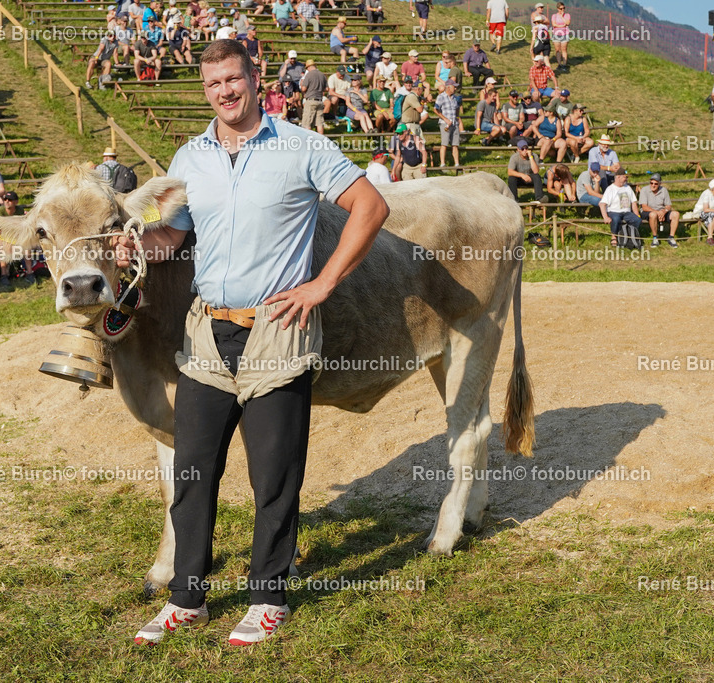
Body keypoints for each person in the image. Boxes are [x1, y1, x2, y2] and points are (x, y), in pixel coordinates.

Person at [121, 38, 387, 647]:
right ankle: (188, 598)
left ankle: (268, 596)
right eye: (213, 84)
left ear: (254, 76)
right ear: (204, 88)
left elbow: (370, 207)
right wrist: (137, 245)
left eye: (233, 80)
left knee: (274, 476)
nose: (224, 93)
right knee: (193, 471)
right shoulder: (189, 157)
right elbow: (174, 242)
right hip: (207, 333)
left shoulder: (302, 146)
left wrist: (322, 283)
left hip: (277, 332)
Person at [599, 168, 642, 248]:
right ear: (618, 177)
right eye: (625, 177)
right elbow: (602, 204)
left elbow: (633, 202)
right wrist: (605, 217)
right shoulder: (610, 189)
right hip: (614, 211)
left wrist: (637, 214)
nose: (626, 179)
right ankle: (614, 236)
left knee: (637, 220)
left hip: (626, 212)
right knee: (615, 219)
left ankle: (629, 235)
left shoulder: (628, 188)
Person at [638, 173, 680, 248]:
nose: (653, 185)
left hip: (661, 211)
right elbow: (644, 207)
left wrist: (664, 211)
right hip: (647, 212)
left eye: (656, 184)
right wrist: (658, 213)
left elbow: (668, 205)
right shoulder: (644, 190)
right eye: (651, 183)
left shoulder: (664, 190)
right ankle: (655, 238)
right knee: (653, 215)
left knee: (676, 214)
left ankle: (671, 237)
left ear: (659, 184)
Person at [434, 79, 462, 168]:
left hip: (454, 123)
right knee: (444, 143)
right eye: (454, 86)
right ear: (449, 87)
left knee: (455, 144)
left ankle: (457, 163)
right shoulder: (441, 97)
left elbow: (457, 109)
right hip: (444, 124)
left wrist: (457, 119)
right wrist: (445, 119)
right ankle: (442, 163)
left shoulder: (454, 98)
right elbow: (435, 109)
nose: (455, 88)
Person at [506, 138, 544, 203]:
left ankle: (539, 198)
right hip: (520, 178)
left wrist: (530, 157)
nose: (525, 150)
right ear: (518, 150)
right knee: (511, 178)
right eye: (522, 149)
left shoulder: (534, 156)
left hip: (530, 177)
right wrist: (522, 175)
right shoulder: (514, 157)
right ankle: (514, 200)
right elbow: (510, 172)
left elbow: (536, 171)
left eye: (526, 148)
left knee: (537, 176)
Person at [693, 179, 714, 245]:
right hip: (701, 212)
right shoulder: (707, 193)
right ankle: (710, 238)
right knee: (712, 215)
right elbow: (705, 209)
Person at [299, 59, 325, 134]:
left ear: (309, 67)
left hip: (310, 100)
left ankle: (309, 141)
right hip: (320, 100)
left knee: (307, 123)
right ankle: (322, 141)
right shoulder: (322, 75)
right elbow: (326, 88)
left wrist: (302, 85)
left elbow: (304, 89)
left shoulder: (309, 75)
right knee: (319, 123)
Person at [551, 2, 571, 71]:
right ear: (557, 9)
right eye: (561, 8)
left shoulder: (567, 15)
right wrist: (562, 25)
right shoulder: (554, 16)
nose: (562, 10)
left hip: (565, 34)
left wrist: (562, 17)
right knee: (557, 50)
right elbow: (554, 24)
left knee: (564, 49)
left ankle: (564, 65)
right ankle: (559, 64)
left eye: (563, 8)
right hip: (556, 34)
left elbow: (567, 23)